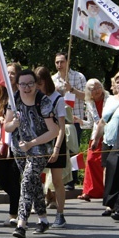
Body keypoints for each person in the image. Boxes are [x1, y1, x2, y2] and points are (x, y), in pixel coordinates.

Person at [5, 69, 59, 238]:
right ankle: (43, 219)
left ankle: (21, 223)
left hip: (39, 148)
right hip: (18, 147)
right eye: (23, 84)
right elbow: (7, 127)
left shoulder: (43, 102)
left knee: (27, 180)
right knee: (32, 182)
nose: (26, 88)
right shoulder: (14, 99)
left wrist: (32, 143)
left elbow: (54, 130)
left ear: (36, 84)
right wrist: (13, 124)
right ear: (18, 85)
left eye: (30, 84)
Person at [35, 66, 68, 228]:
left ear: (46, 81)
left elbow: (61, 127)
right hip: (40, 142)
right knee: (35, 178)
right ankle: (41, 214)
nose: (37, 86)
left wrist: (56, 148)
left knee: (56, 180)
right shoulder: (34, 98)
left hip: (56, 143)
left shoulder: (57, 99)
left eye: (40, 83)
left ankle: (60, 213)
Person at [52, 52, 87, 190]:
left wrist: (71, 89)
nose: (59, 65)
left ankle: (72, 180)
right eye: (57, 62)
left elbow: (86, 96)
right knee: (60, 150)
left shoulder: (78, 77)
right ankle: (61, 178)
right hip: (59, 121)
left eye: (62, 62)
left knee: (73, 150)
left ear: (68, 62)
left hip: (74, 120)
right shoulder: (53, 78)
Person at [0, 62, 22, 226]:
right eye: (7, 73)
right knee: (1, 178)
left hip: (17, 141)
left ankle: (14, 213)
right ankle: (22, 199)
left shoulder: (21, 94)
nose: (9, 76)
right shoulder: (2, 93)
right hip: (3, 141)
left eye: (12, 73)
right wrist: (0, 119)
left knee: (13, 178)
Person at [98, 70, 119, 219]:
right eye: (118, 82)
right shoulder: (111, 100)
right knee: (111, 168)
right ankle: (112, 204)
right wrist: (96, 137)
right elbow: (103, 120)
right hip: (112, 139)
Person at [78, 79, 110, 200]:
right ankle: (88, 191)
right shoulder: (89, 103)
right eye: (92, 88)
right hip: (95, 136)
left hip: (108, 134)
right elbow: (91, 123)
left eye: (98, 87)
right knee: (90, 160)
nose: (96, 90)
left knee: (106, 164)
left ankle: (105, 190)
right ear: (88, 91)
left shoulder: (110, 99)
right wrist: (80, 121)